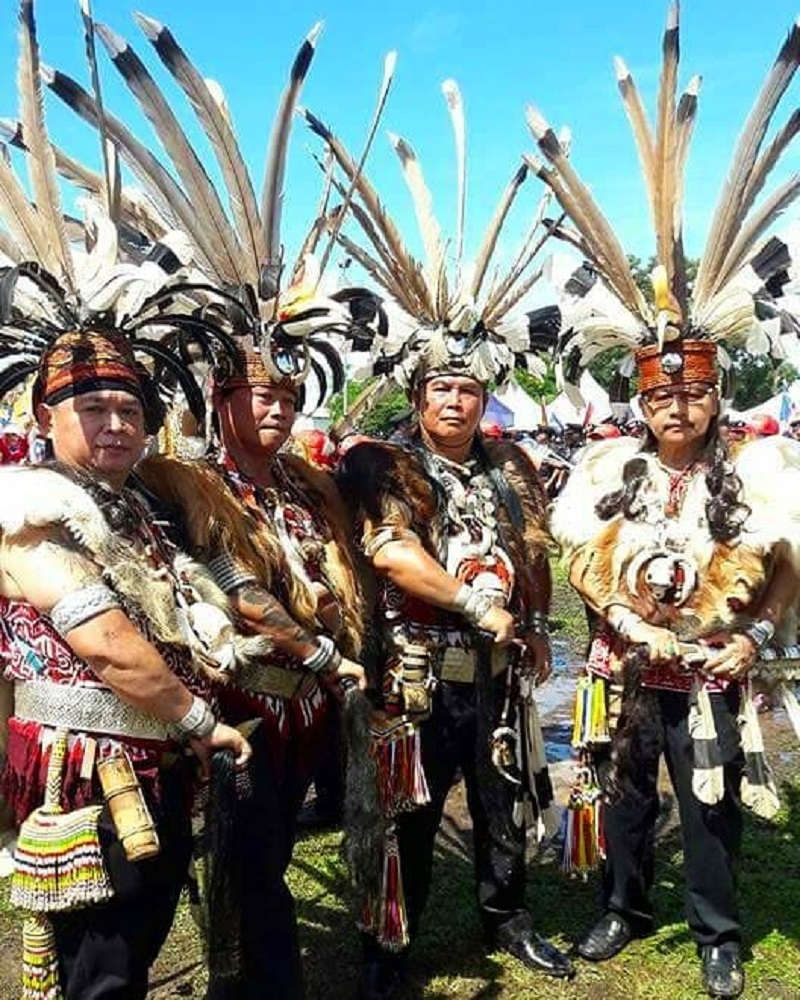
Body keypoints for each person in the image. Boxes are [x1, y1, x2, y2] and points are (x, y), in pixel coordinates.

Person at [532, 8, 800, 997]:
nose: (673, 403)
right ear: (637, 398)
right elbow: (580, 562)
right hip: (623, 657)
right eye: (656, 392)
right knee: (622, 788)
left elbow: (783, 569)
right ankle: (619, 903)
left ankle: (717, 929)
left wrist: (751, 639)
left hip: (714, 660)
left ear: (713, 391)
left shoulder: (762, 470)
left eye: (688, 389)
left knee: (710, 795)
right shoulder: (605, 467)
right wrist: (613, 623)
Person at [311, 79, 572, 999]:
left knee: (503, 800)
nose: (455, 402)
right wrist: (472, 602)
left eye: (467, 390)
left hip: (498, 671)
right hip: (418, 671)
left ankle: (510, 917)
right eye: (439, 390)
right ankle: (392, 948)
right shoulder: (384, 463)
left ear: (480, 397)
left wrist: (529, 624)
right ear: (419, 397)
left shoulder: (512, 465)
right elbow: (387, 551)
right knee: (410, 817)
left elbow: (536, 556)